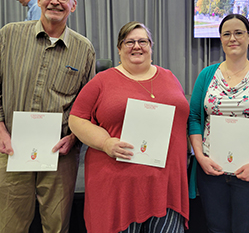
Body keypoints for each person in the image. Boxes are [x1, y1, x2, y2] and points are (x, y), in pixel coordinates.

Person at [0, 0, 96, 233]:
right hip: (11, 149)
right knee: (11, 226)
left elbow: (86, 105)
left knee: (56, 227)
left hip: (59, 155)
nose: (55, 1)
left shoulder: (83, 49)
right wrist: (0, 132)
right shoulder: (9, 35)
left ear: (73, 5)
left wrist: (73, 138)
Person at [68, 21, 189, 233]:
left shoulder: (169, 77)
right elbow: (76, 118)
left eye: (142, 41)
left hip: (166, 185)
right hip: (119, 187)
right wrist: (105, 143)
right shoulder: (102, 81)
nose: (136, 46)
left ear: (151, 46)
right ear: (119, 48)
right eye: (129, 42)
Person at [188, 13, 249, 232]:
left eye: (239, 33)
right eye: (227, 34)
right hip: (212, 171)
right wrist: (200, 158)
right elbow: (194, 119)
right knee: (216, 228)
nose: (233, 38)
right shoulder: (207, 75)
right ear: (220, 39)